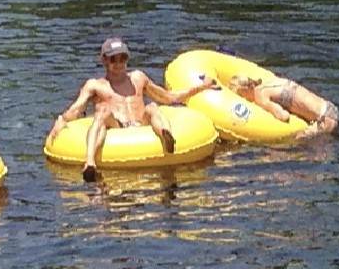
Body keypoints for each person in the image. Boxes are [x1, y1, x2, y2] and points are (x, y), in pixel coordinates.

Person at [49, 37, 219, 181]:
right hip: (115, 125)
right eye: (113, 59)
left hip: (141, 124)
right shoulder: (95, 85)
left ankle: (167, 136)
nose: (118, 63)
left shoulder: (138, 78)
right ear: (104, 60)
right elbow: (76, 109)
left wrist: (201, 87)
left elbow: (169, 98)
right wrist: (62, 120)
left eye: (122, 58)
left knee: (152, 107)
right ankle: (90, 162)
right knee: (102, 112)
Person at [230, 71, 339, 135]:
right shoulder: (270, 81)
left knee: (296, 141)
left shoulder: (260, 96)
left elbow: (283, 116)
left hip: (324, 120)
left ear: (244, 91)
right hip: (330, 108)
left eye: (240, 96)